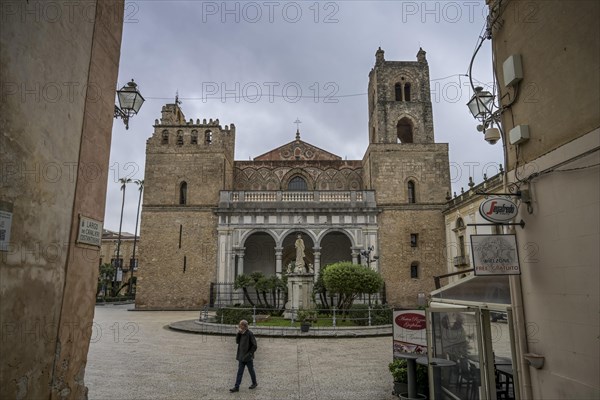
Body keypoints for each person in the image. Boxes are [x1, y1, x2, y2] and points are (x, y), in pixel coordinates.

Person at [230, 320, 258, 392]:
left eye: (240, 325)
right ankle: (237, 387)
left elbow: (254, 345)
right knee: (240, 372)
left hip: (248, 358)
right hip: (241, 357)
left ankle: (254, 383)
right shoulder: (241, 333)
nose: (239, 326)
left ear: (244, 326)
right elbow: (237, 341)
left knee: (251, 371)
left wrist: (250, 354)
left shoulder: (250, 334)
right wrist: (238, 334)